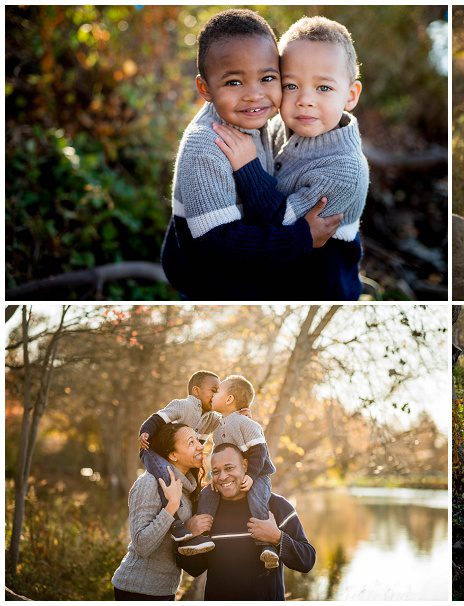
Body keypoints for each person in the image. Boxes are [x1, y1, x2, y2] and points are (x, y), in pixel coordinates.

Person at [159, 8, 342, 300]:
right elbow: (217, 245)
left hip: (245, 274)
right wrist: (301, 237)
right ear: (205, 88)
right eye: (234, 82)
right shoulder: (206, 146)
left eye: (268, 78)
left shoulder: (256, 122)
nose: (254, 94)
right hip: (213, 290)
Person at [212, 16, 367, 300]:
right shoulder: (277, 127)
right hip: (276, 279)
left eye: (323, 88)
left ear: (351, 95)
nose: (304, 99)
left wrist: (247, 168)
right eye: (291, 85)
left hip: (316, 290)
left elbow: (282, 224)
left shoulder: (345, 170)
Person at [177, 443, 316, 600]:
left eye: (229, 468)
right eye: (216, 471)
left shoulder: (276, 506)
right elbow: (193, 568)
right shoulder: (206, 511)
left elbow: (307, 560)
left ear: (245, 465)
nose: (222, 477)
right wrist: (188, 534)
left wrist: (277, 537)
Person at [185, 375, 279, 568]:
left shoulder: (247, 423)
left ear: (229, 399)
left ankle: (267, 545)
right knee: (207, 495)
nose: (213, 395)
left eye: (217, 391)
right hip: (233, 474)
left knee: (256, 498)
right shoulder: (218, 425)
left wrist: (251, 476)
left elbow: (259, 452)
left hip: (258, 473)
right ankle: (202, 538)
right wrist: (212, 475)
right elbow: (217, 453)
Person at [111, 423, 212, 600]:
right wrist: (171, 506)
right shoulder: (149, 483)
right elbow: (142, 545)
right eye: (191, 442)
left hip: (165, 590)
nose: (200, 445)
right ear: (173, 455)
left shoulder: (188, 487)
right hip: (137, 590)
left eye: (197, 439)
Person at [136, 371, 221, 551]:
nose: (217, 395)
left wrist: (241, 414)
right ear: (196, 391)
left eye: (220, 392)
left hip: (176, 457)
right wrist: (145, 432)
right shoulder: (184, 406)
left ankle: (195, 535)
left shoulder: (213, 418)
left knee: (200, 487)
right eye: (213, 390)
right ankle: (176, 526)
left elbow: (230, 424)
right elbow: (156, 418)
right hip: (153, 451)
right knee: (167, 479)